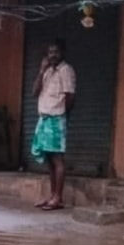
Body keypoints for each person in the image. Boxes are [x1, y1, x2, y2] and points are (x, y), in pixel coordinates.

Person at [31, 38, 76, 211]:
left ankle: (58, 197)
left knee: (57, 159)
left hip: (57, 118)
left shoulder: (66, 71)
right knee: (49, 159)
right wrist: (41, 70)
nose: (52, 55)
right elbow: (34, 92)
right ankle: (52, 196)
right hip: (44, 118)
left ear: (62, 52)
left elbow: (71, 96)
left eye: (56, 52)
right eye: (50, 52)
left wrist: (63, 115)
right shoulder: (47, 71)